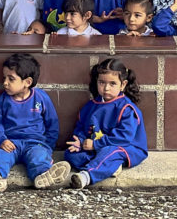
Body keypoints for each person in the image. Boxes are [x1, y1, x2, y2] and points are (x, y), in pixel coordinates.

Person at [41, 58, 147, 190]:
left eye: (112, 83)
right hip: (94, 147)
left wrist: (96, 144)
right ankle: (107, 167)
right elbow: (81, 127)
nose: (106, 88)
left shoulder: (126, 109)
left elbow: (124, 137)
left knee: (111, 152)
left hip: (125, 147)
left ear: (123, 84)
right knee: (70, 153)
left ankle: (86, 176)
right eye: (102, 82)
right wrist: (79, 141)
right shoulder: (90, 106)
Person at [0, 52, 60, 192]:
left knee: (38, 156)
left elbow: (52, 123)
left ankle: (42, 175)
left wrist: (48, 147)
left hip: (34, 142)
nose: (5, 83)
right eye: (4, 78)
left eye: (11, 79)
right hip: (10, 143)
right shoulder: (2, 101)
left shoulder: (41, 98)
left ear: (27, 82)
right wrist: (1, 140)